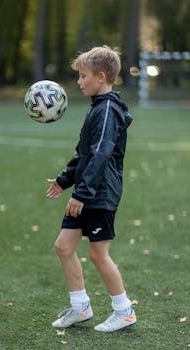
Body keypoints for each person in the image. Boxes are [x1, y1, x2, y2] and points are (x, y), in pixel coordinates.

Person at [46, 46, 136, 333]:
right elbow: (84, 153)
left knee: (98, 254)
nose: (79, 81)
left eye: (83, 76)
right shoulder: (98, 106)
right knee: (64, 246)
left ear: (101, 76)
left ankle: (124, 311)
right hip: (86, 190)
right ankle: (81, 308)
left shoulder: (108, 108)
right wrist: (64, 180)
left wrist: (81, 194)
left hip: (100, 193)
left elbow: (101, 153)